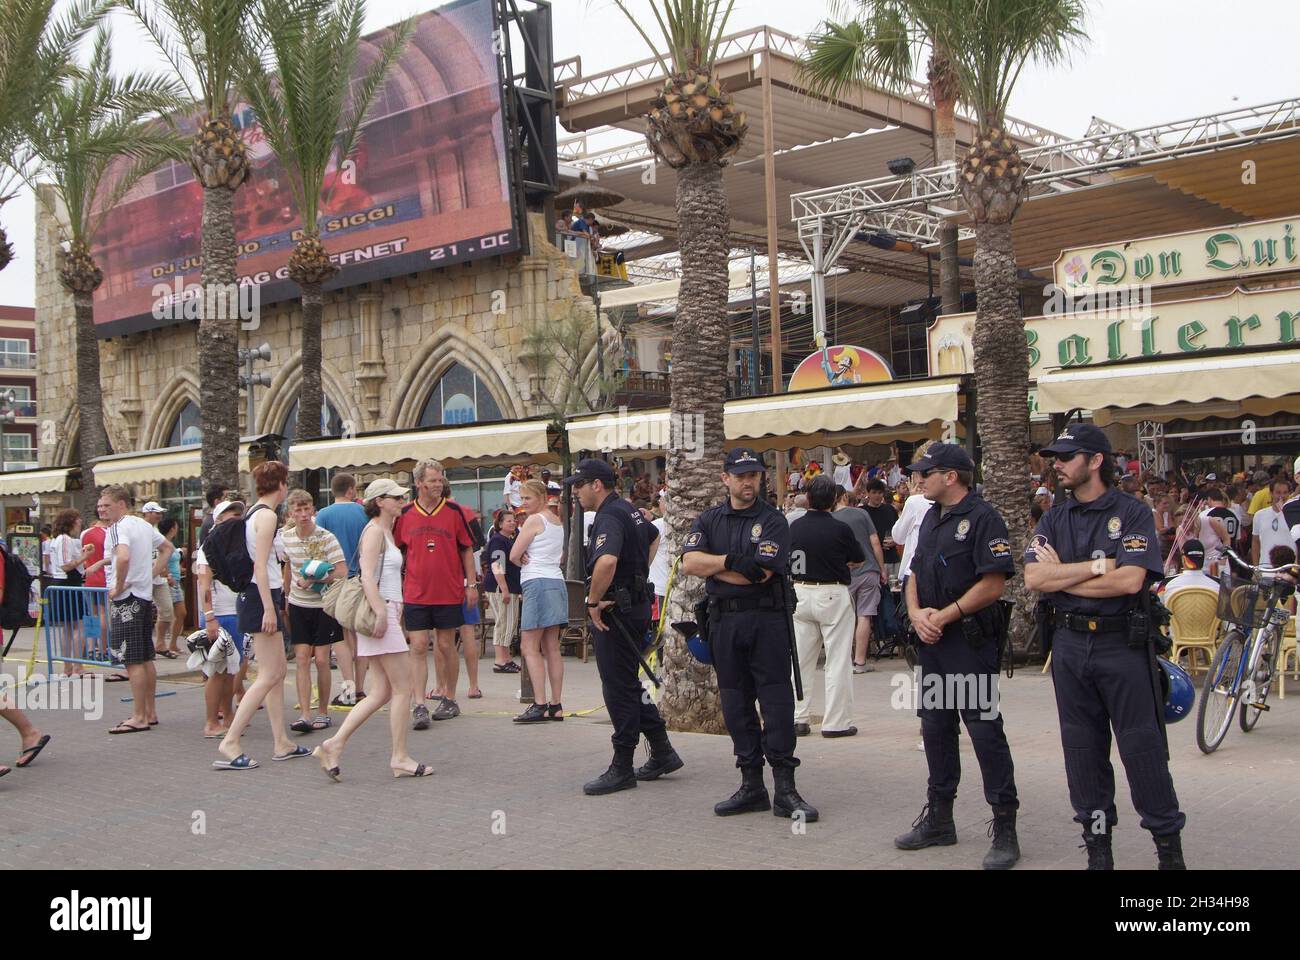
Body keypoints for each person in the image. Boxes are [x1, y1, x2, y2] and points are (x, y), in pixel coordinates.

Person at [1025, 424, 1186, 870]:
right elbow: (1036, 578)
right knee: (1082, 754)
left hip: (1122, 645)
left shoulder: (1132, 512)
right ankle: (1099, 852)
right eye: (1055, 456)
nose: (1056, 464)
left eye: (1066, 456)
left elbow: (1131, 580)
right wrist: (1099, 567)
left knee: (1142, 750)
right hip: (1071, 646)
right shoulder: (1054, 516)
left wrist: (1069, 576)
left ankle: (1168, 852)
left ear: (1095, 461)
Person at [894, 443, 1020, 870]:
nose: (918, 480)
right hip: (933, 642)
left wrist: (944, 615)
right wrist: (915, 614)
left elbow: (994, 583)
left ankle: (1004, 826)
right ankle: (940, 818)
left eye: (925, 473)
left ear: (951, 476)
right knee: (935, 728)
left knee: (984, 732)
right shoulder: (930, 516)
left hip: (969, 641)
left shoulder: (984, 519)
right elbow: (911, 571)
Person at [682, 448, 817, 821]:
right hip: (724, 623)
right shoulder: (710, 519)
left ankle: (786, 790)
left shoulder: (774, 520)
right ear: (725, 478)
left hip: (766, 622)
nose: (748, 482)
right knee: (735, 705)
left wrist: (719, 567)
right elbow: (690, 562)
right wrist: (727, 561)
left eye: (754, 475)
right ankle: (751, 785)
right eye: (740, 475)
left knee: (776, 704)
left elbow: (761, 573)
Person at [567, 459, 682, 793]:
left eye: (580, 484)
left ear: (597, 485)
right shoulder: (628, 510)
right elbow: (653, 536)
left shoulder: (608, 516)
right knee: (629, 684)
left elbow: (606, 560)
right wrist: (636, 578)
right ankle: (662, 750)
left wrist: (593, 601)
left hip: (616, 611)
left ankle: (622, 767)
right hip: (633, 605)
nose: (576, 491)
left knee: (617, 688)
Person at [313, 479, 433, 780]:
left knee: (381, 691)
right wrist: (382, 612)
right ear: (380, 501)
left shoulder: (385, 532)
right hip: (381, 612)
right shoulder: (376, 532)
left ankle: (334, 743)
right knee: (403, 688)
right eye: (396, 497)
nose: (402, 500)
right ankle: (399, 756)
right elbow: (366, 576)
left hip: (387, 610)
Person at [215, 461, 310, 770]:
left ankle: (281, 741)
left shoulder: (254, 513)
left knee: (277, 672)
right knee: (270, 674)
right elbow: (260, 565)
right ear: (281, 484)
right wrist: (270, 607)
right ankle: (230, 741)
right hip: (260, 596)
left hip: (259, 595)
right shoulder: (266, 516)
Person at [393, 459, 477, 728]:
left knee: (445, 645)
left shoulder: (454, 511)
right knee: (417, 646)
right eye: (432, 481)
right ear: (419, 483)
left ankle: (449, 698)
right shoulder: (404, 514)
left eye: (440, 480)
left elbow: (466, 549)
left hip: (448, 591)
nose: (438, 485)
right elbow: (396, 553)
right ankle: (419, 703)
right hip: (416, 592)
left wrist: (471, 584)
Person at [789, 476, 864, 738]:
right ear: (834, 499)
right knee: (838, 659)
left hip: (799, 592)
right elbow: (858, 558)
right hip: (832, 592)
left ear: (807, 498)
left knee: (799, 660)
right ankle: (836, 722)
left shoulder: (793, 528)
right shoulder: (840, 529)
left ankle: (797, 717)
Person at [101, 485, 172, 734]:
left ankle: (139, 716)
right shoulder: (142, 525)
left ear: (121, 504)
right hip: (143, 596)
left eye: (106, 505)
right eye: (100, 506)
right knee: (144, 656)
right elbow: (168, 549)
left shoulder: (119, 527)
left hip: (127, 599)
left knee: (133, 660)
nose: (102, 510)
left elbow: (122, 557)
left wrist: (118, 585)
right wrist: (149, 575)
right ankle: (149, 712)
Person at [280, 489, 347, 734]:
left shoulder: (326, 537)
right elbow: (287, 564)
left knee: (321, 659)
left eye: (307, 509)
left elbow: (341, 570)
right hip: (298, 604)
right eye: (298, 510)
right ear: (291, 513)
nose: (304, 514)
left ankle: (323, 712)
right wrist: (286, 595)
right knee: (301, 658)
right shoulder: (285, 538)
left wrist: (315, 581)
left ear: (313, 511)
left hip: (323, 605)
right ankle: (305, 713)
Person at [510, 479, 567, 723]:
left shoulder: (534, 520)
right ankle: (556, 704)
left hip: (536, 581)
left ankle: (539, 703)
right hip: (556, 581)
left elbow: (513, 554)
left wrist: (521, 556)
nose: (523, 504)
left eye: (527, 498)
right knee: (552, 647)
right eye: (521, 499)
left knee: (529, 646)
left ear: (542, 497)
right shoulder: (557, 521)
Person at [316, 473, 369, 705]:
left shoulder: (323, 515)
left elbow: (317, 549)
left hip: (335, 582)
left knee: (341, 637)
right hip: (360, 578)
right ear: (350, 490)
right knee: (359, 635)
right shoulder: (363, 513)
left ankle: (348, 689)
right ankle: (360, 687)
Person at [195, 499, 244, 738]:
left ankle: (228, 715)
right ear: (218, 520)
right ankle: (211, 722)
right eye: (229, 515)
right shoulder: (210, 545)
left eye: (237, 514)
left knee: (231, 670)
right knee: (216, 672)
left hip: (235, 613)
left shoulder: (238, 542)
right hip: (219, 615)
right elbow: (204, 583)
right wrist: (209, 616)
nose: (235, 518)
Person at [832, 485, 887, 675]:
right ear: (845, 497)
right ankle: (860, 661)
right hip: (868, 570)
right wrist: (882, 569)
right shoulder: (862, 514)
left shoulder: (830, 519)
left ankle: (841, 662)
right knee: (865, 615)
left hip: (842, 575)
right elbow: (875, 543)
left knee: (842, 619)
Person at [47, 508, 91, 677]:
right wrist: (84, 557)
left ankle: (68, 667)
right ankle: (77, 666)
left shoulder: (56, 540)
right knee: (78, 626)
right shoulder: (65, 540)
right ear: (71, 522)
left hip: (60, 583)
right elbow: (66, 565)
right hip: (69, 582)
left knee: (67, 628)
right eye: (78, 521)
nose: (80, 524)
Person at [483, 510, 521, 673]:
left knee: (510, 622)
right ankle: (500, 660)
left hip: (510, 587)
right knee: (503, 622)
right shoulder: (498, 541)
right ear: (499, 524)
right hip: (501, 587)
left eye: (513, 521)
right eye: (508, 521)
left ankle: (507, 658)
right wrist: (504, 589)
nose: (512, 523)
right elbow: (497, 565)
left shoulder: (508, 540)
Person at [140, 502, 176, 658]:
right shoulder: (139, 529)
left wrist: (166, 573)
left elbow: (165, 552)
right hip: (142, 577)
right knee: (142, 613)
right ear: (147, 513)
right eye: (156, 513)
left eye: (160, 513)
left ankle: (160, 643)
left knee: (167, 610)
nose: (159, 516)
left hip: (158, 577)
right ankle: (144, 646)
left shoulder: (156, 531)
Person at [159, 518, 186, 656]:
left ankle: (173, 643)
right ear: (172, 529)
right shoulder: (162, 543)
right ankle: (161, 641)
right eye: (176, 526)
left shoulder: (171, 544)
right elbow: (161, 561)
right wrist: (168, 575)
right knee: (167, 613)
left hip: (176, 580)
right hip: (169, 582)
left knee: (180, 613)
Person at [1252, 478, 1294, 566]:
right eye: (1278, 492)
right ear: (1271, 493)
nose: (1281, 496)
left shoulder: (1295, 515)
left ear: (1289, 494)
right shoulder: (1259, 515)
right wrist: (1256, 568)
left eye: (1285, 492)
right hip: (1265, 569)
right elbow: (1255, 542)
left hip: (1291, 569)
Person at [1161, 539, 1219, 604]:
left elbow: (1161, 606)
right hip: (1208, 614)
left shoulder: (1167, 584)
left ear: (1183, 559)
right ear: (1203, 558)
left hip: (1178, 614)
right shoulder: (1217, 585)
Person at [1196, 487, 1236, 575]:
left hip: (1212, 559)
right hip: (1231, 557)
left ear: (1209, 499)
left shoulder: (1205, 514)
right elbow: (1237, 538)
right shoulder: (1234, 514)